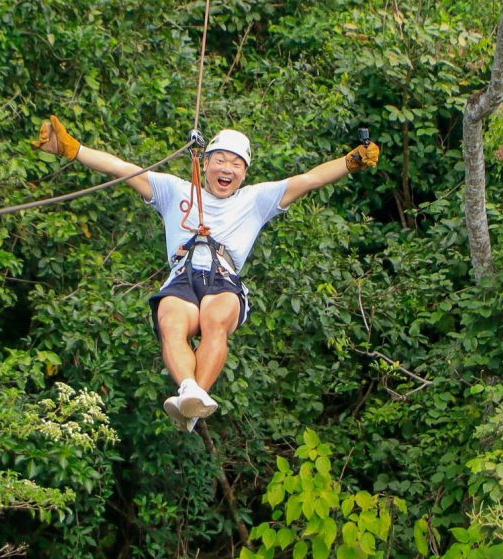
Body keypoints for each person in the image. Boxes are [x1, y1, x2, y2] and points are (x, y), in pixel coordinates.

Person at [33, 117, 380, 431]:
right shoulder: (176, 191)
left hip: (222, 278)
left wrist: (350, 161)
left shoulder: (255, 199)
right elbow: (123, 169)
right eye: (221, 159)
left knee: (215, 319)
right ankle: (190, 393)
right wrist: (72, 149)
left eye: (236, 163)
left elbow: (310, 179)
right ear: (205, 161)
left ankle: (193, 403)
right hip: (183, 275)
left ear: (244, 173)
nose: (227, 168)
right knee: (171, 320)